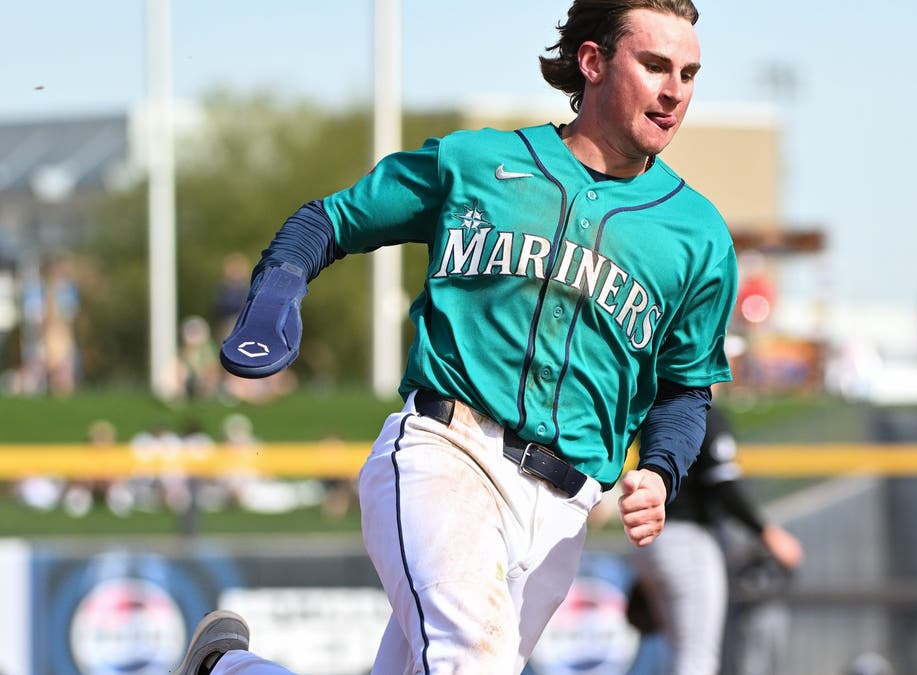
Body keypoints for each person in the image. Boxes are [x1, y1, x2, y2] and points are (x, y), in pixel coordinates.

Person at [176, 1, 737, 674]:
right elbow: (329, 220)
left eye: (689, 72)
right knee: (472, 660)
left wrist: (660, 469)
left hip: (565, 512)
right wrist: (278, 288)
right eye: (653, 65)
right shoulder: (479, 164)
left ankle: (229, 671)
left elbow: (685, 387)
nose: (675, 89)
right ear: (591, 63)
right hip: (449, 453)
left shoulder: (697, 236)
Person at [629, 403, 802, 675]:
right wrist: (767, 532)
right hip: (686, 542)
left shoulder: (659, 408)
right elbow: (724, 486)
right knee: (697, 657)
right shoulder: (703, 412)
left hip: (649, 541)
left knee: (675, 651)